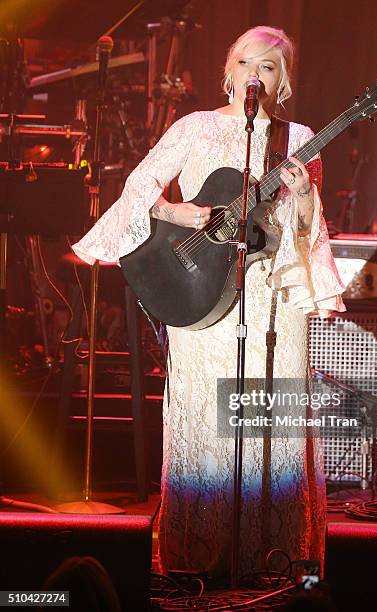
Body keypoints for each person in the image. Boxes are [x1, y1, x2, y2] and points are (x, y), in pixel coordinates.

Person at [73, 26, 345, 579]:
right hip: (201, 292)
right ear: (229, 69)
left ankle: (270, 555)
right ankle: (198, 554)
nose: (254, 74)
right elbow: (138, 186)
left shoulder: (298, 138)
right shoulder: (194, 127)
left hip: (270, 300)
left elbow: (307, 232)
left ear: (282, 79)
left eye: (268, 66)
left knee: (270, 418)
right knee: (206, 416)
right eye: (246, 62)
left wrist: (302, 196)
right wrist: (176, 213)